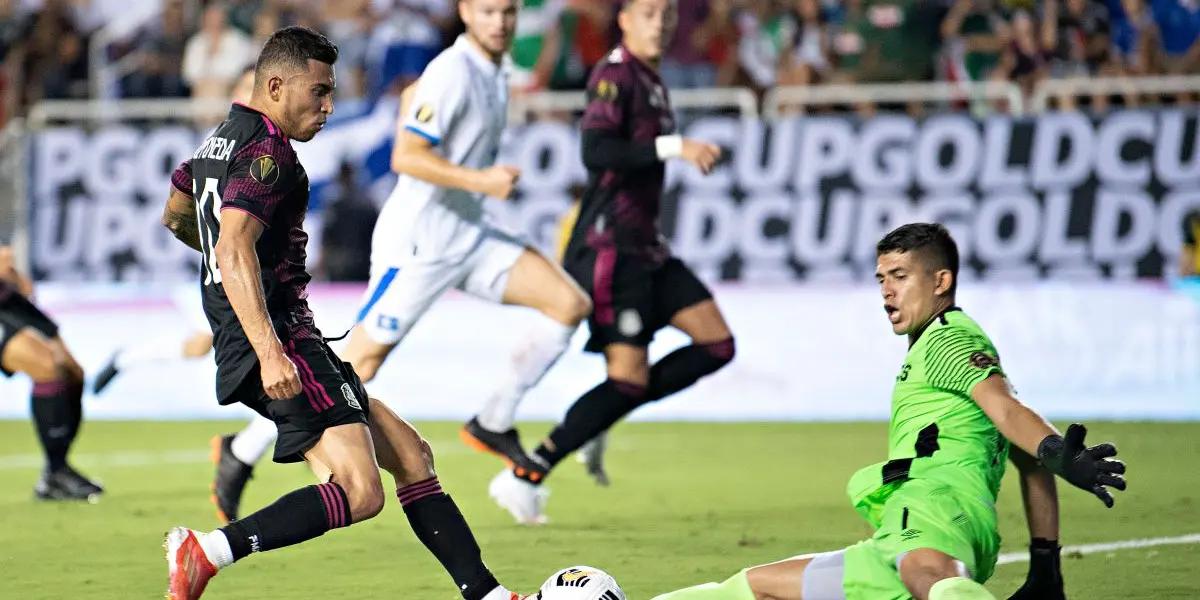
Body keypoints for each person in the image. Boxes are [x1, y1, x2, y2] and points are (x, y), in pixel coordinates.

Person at [160, 26, 525, 600]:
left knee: (410, 454)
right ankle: (206, 551)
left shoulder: (220, 140)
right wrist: (268, 346)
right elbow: (232, 248)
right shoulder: (269, 154)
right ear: (276, 85)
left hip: (273, 335)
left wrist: (229, 268)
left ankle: (488, 594)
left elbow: (178, 212)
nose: (329, 107)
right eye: (320, 92)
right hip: (279, 340)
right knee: (360, 490)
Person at [650, 223, 1128, 600]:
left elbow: (1008, 412)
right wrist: (1046, 565)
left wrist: (1055, 450)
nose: (886, 291)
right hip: (901, 538)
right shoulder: (953, 349)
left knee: (927, 573)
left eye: (900, 277)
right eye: (881, 278)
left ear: (941, 281)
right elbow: (1024, 452)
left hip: (932, 513)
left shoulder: (948, 338)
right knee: (757, 588)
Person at [487, 0, 734, 525]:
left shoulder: (652, 80)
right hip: (610, 251)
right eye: (649, 12)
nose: (661, 21)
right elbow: (597, 153)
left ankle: (600, 418)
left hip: (648, 247)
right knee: (627, 380)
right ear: (623, 19)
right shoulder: (614, 74)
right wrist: (674, 146)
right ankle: (525, 474)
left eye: (667, 13)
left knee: (717, 344)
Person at [342, 0, 591, 473]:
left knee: (569, 303)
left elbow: (413, 98)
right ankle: (243, 449)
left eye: (508, 13)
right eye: (489, 12)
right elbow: (407, 157)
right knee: (357, 367)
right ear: (466, 12)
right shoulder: (453, 71)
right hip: (421, 242)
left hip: (470, 234)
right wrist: (483, 182)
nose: (500, 23)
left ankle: (493, 420)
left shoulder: (495, 69)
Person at [0, 246, 102, 501]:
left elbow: (24, 293)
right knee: (47, 368)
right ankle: (56, 472)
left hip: (11, 307)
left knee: (73, 373)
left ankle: (56, 470)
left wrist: (12, 276)